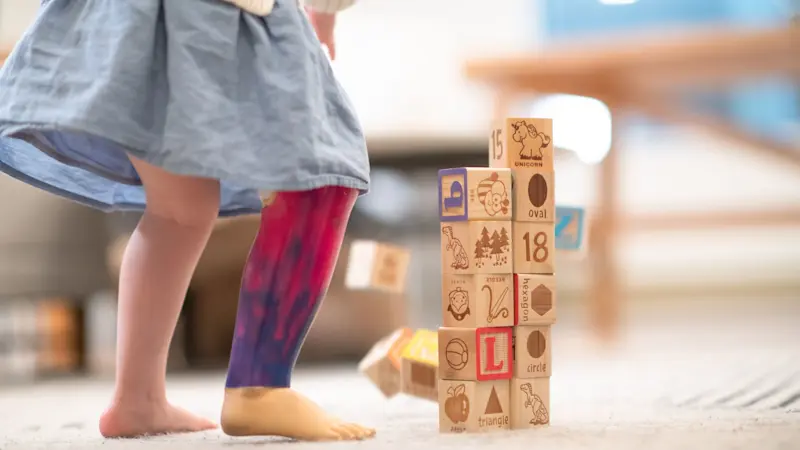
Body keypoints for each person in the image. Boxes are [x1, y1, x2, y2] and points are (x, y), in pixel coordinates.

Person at [0, 0, 373, 441]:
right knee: (324, 175)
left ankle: (137, 399)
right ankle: (260, 386)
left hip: (125, 18)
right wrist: (327, 9)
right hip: (207, 14)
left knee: (180, 210)